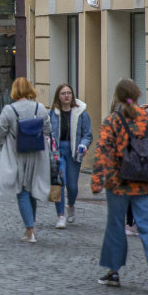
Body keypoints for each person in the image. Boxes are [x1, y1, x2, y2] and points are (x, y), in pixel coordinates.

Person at [92, 78, 148, 295]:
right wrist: (146, 157)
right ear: (138, 94)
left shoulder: (112, 121)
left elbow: (103, 151)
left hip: (118, 183)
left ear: (118, 97)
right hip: (146, 182)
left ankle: (113, 273)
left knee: (116, 226)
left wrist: (97, 180)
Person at [0, 77, 52, 243]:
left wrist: (5, 141)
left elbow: (0, 132)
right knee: (32, 190)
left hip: (17, 154)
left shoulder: (9, 110)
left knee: (22, 191)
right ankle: (30, 228)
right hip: (37, 154)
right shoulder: (40, 108)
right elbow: (47, 129)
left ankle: (30, 230)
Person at [48, 83, 92, 228]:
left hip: (74, 152)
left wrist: (84, 145)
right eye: (63, 93)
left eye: (68, 93)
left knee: (72, 186)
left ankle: (71, 204)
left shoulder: (81, 113)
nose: (66, 96)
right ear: (58, 97)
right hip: (57, 151)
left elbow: (87, 134)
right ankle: (60, 216)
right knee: (59, 183)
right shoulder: (52, 113)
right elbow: (46, 131)